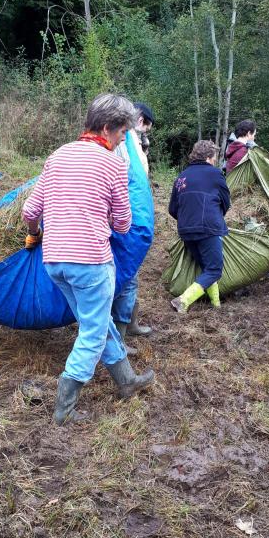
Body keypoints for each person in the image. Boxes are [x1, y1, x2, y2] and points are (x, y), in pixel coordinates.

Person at [22, 94, 154, 426]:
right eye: (122, 132)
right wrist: (109, 218)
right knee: (92, 332)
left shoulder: (57, 155)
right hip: (91, 262)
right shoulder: (112, 163)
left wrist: (35, 233)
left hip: (54, 262)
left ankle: (126, 380)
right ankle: (64, 407)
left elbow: (30, 211)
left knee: (96, 321)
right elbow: (123, 221)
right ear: (108, 128)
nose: (124, 139)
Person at [111, 101, 155, 354]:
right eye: (146, 124)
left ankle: (131, 324)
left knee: (132, 274)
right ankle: (120, 339)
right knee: (126, 277)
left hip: (133, 217)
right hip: (123, 221)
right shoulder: (123, 143)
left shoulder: (135, 143)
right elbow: (120, 182)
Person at [168, 139, 230, 313]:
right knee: (215, 270)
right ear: (210, 157)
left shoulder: (182, 176)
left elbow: (172, 208)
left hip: (186, 230)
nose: (216, 160)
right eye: (215, 156)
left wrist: (187, 220)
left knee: (206, 267)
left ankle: (216, 305)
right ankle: (183, 300)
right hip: (208, 228)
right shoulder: (215, 174)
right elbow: (226, 202)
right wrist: (215, 217)